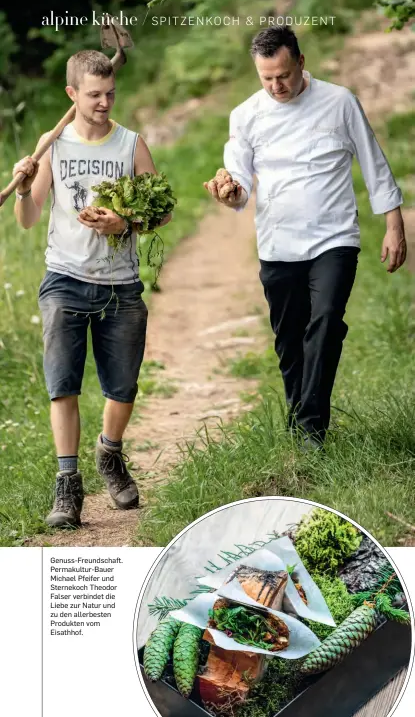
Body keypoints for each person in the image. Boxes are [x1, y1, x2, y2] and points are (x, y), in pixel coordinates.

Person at [204, 26, 406, 447]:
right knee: (289, 340)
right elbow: (238, 178)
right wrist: (229, 192)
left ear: (300, 62)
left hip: (334, 237)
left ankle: (311, 427)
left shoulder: (339, 102)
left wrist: (393, 225)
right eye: (267, 78)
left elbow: (374, 163)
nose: (276, 86)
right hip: (278, 242)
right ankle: (302, 426)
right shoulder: (246, 115)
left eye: (283, 75)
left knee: (327, 321)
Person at [13, 49, 171, 527]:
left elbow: (161, 210)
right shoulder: (53, 145)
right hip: (64, 278)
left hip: (120, 286)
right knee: (62, 385)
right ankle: (68, 485)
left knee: (122, 387)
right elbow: (27, 219)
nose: (104, 103)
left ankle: (110, 453)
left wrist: (125, 220)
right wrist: (22, 188)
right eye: (95, 95)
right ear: (72, 94)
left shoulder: (131, 145)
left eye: (110, 94)